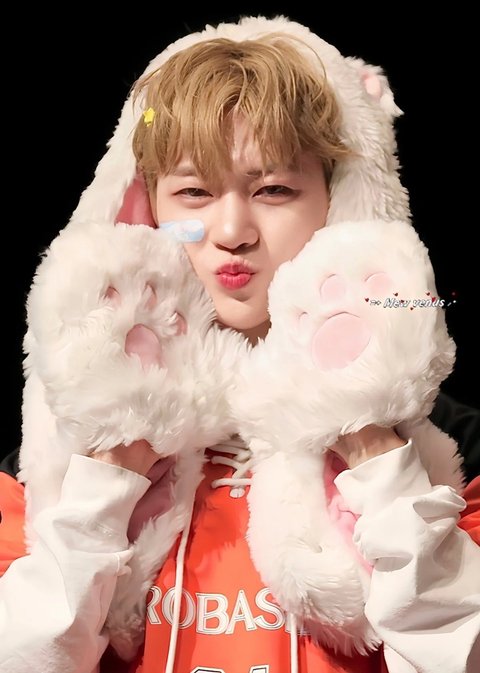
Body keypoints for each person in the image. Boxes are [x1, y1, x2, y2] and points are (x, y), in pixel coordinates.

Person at [0, 14, 479, 673]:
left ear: (342, 205)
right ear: (146, 213)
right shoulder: (54, 456)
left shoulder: (449, 447)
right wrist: (101, 487)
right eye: (193, 192)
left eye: (274, 189)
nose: (232, 230)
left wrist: (376, 453)